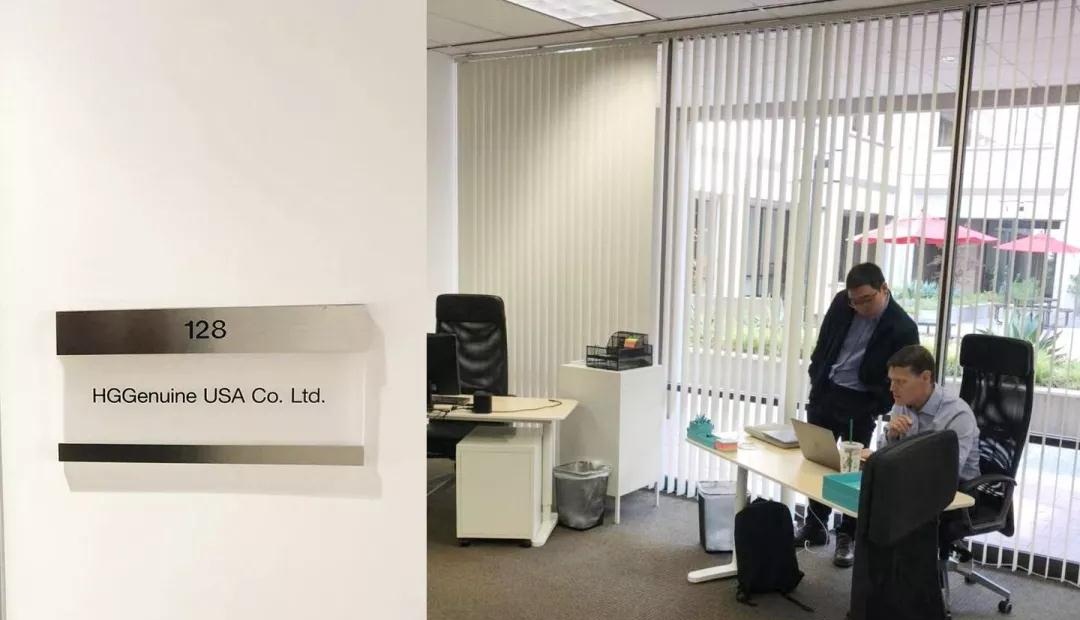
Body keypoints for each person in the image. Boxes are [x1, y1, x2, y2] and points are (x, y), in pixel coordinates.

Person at [799, 262, 919, 568]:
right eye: (855, 301)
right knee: (819, 461)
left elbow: (904, 376)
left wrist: (877, 404)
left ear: (884, 289)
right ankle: (815, 524)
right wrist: (816, 375)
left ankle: (847, 535)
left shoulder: (902, 327)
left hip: (861, 402)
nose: (860, 306)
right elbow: (824, 343)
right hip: (826, 393)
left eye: (866, 299)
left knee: (854, 473)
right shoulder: (843, 303)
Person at [884, 344, 981, 482]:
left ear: (926, 377)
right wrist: (892, 436)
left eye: (901, 382)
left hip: (957, 489)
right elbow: (883, 456)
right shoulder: (902, 404)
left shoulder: (958, 414)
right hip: (911, 481)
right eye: (892, 380)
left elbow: (948, 471)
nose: (892, 388)